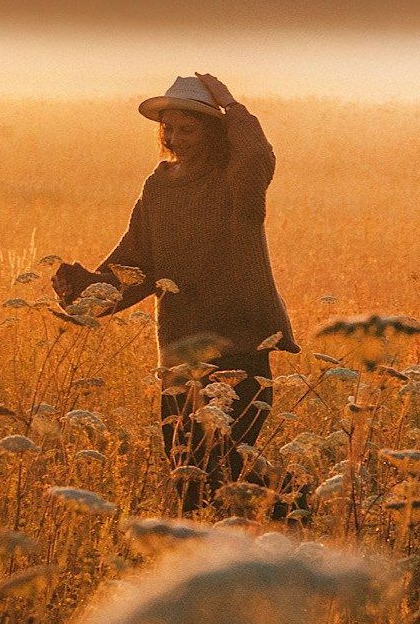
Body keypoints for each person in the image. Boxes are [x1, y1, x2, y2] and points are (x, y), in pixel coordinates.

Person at [52, 73, 298, 514]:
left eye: (189, 128)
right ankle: (230, 551)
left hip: (239, 349)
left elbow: (257, 153)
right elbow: (135, 267)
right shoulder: (157, 187)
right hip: (179, 354)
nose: (176, 137)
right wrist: (84, 291)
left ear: (213, 130)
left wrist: (229, 103)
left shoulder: (236, 184)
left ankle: (299, 508)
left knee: (226, 467)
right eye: (169, 128)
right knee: (187, 475)